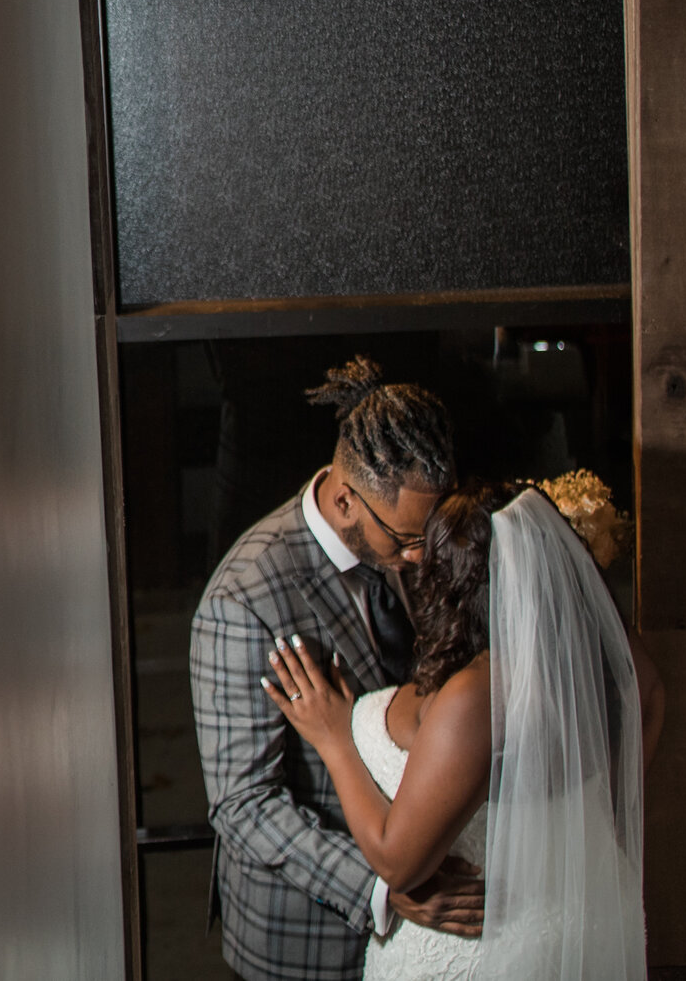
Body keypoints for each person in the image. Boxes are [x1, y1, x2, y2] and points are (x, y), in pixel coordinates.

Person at [265, 478, 663, 978]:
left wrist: (335, 740)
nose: (412, 563)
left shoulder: (479, 695)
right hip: (586, 930)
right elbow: (646, 705)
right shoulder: (598, 655)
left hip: (489, 953)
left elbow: (398, 863)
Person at [191, 357, 480, 981]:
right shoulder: (243, 601)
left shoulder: (419, 544)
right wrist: (383, 888)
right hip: (306, 942)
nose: (419, 556)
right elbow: (244, 804)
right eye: (404, 539)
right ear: (346, 498)